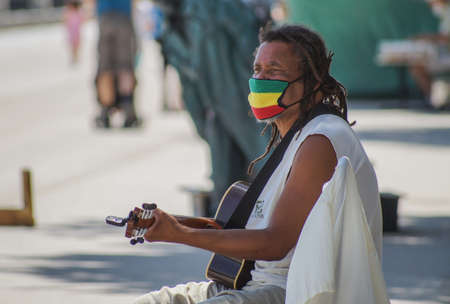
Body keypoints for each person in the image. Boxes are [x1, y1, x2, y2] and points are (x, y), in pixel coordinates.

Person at [133, 24, 383, 304]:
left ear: (313, 82)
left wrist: (179, 235)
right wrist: (168, 223)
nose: (260, 79)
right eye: (257, 70)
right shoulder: (297, 137)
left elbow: (275, 242)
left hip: (291, 292)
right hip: (251, 285)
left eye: (274, 71)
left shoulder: (320, 140)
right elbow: (255, 230)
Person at [92, 0, 141, 128]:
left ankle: (105, 109)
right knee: (124, 65)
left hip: (105, 15)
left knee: (105, 66)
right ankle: (128, 107)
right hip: (123, 15)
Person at [409, 0, 450, 104]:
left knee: (417, 67)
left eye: (432, 2)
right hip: (445, 55)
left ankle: (436, 102)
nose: (430, 4)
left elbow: (447, 38)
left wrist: (425, 37)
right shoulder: (445, 12)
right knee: (417, 66)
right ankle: (434, 101)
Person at [63, 0, 84, 64]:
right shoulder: (68, 13)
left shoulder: (78, 13)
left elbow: (82, 20)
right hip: (71, 33)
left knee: (76, 46)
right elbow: (65, 21)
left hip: (77, 32)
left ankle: (76, 57)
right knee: (72, 46)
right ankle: (74, 57)